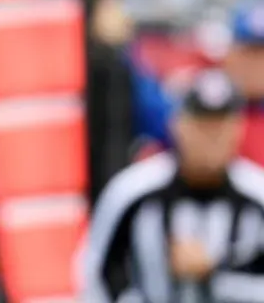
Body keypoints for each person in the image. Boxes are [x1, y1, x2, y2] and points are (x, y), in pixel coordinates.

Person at [80, 68, 264, 302]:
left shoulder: (258, 195)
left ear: (238, 130)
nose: (211, 138)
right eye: (202, 125)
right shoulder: (132, 192)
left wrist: (216, 273)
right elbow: (95, 273)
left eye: (220, 126)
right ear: (178, 125)